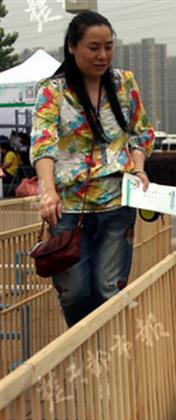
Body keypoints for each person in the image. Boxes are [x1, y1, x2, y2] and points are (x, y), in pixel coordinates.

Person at [30, 12, 154, 327]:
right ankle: (81, 351)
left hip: (117, 203)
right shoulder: (53, 90)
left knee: (108, 290)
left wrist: (139, 168)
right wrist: (48, 191)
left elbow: (141, 133)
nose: (103, 56)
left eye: (109, 47)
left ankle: (105, 359)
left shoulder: (124, 83)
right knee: (74, 294)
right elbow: (43, 143)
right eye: (93, 47)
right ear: (72, 47)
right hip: (68, 208)